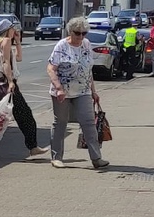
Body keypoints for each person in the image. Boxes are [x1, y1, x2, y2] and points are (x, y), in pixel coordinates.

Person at [0, 20, 48, 160]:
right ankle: (32, 147)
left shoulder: (0, 42)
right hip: (6, 84)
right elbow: (5, 63)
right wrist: (10, 82)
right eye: (13, 28)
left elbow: (18, 59)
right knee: (24, 114)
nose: (15, 30)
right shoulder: (6, 41)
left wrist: (18, 42)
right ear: (8, 29)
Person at [46, 17, 108, 170]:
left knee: (88, 123)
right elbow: (50, 69)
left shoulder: (86, 45)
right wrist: (59, 88)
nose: (80, 36)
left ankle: (96, 158)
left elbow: (88, 70)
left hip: (83, 91)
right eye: (77, 33)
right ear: (70, 32)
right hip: (62, 91)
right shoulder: (61, 46)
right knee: (60, 123)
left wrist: (94, 91)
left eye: (84, 33)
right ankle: (57, 157)